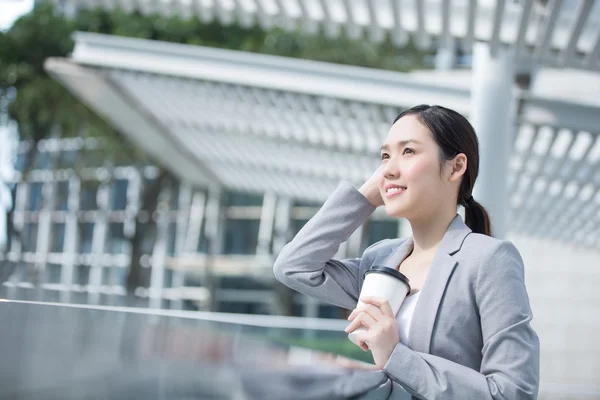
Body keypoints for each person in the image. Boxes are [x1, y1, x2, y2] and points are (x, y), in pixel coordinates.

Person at [273, 105, 540, 400]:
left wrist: (394, 356)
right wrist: (365, 197)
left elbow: (512, 393)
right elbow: (293, 267)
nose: (388, 168)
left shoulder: (488, 259)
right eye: (385, 156)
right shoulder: (381, 258)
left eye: (409, 151)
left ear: (455, 166)